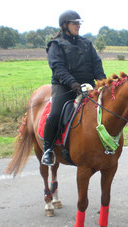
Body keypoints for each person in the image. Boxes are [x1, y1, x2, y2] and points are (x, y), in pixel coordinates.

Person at [42, 10, 106, 166]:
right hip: (65, 86)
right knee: (56, 113)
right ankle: (48, 149)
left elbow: (96, 64)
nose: (78, 26)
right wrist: (73, 84)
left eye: (79, 23)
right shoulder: (55, 44)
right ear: (65, 25)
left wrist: (103, 81)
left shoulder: (87, 43)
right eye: (75, 23)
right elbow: (58, 68)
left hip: (88, 85)